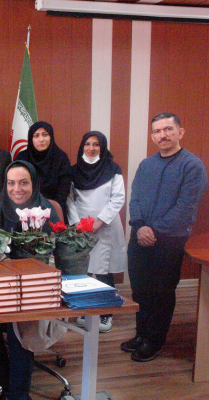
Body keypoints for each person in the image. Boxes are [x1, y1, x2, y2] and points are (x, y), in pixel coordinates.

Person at [122, 112, 208, 362]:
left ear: (180, 132)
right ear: (152, 137)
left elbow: (185, 206)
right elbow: (135, 198)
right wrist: (140, 226)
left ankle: (154, 340)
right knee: (140, 290)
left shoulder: (192, 166)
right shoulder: (146, 165)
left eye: (168, 129)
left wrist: (154, 230)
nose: (163, 135)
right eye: (157, 131)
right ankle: (141, 334)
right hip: (140, 236)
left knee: (162, 292)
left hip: (169, 240)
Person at [0, 160, 60, 400]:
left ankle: (19, 395)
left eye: (24, 183)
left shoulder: (46, 211)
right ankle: (7, 384)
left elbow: (56, 257)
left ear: (34, 184)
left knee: (19, 332)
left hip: (36, 291)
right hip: (2, 289)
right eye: (11, 183)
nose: (17, 189)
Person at [67, 131, 126, 333]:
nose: (91, 148)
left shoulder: (113, 169)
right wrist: (77, 223)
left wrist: (99, 222)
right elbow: (69, 199)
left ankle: (105, 312)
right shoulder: (73, 171)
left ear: (102, 147)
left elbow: (118, 198)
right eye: (87, 144)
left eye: (96, 145)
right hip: (81, 228)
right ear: (82, 146)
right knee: (83, 270)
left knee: (103, 271)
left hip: (105, 226)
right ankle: (85, 309)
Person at [15, 121, 72, 221]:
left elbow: (63, 190)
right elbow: (17, 186)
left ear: (51, 137)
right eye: (36, 136)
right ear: (31, 139)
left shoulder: (61, 158)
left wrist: (49, 207)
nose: (41, 139)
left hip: (54, 211)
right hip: (26, 211)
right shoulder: (22, 158)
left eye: (45, 135)